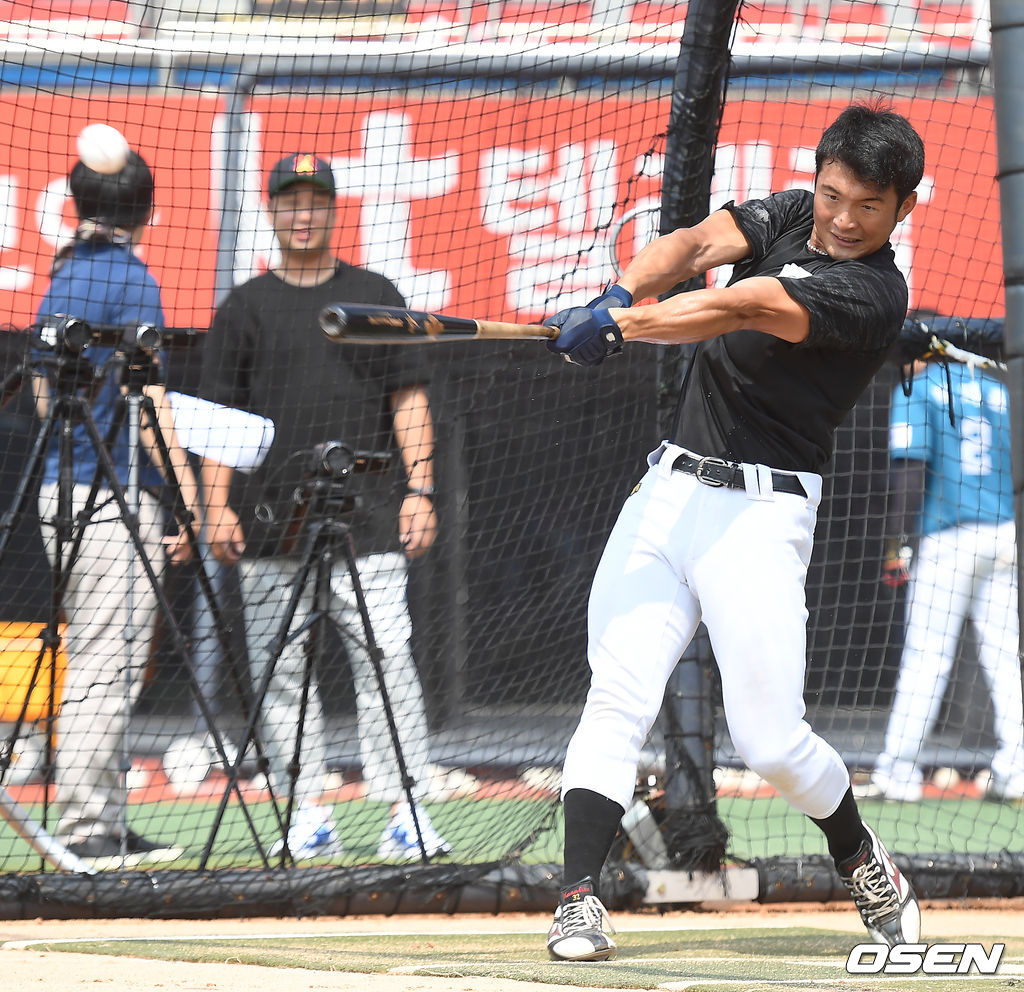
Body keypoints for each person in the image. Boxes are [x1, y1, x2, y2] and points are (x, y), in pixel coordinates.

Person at [542, 102, 924, 959]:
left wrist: (623, 327)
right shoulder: (794, 211)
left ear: (905, 208)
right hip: (669, 491)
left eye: (869, 204)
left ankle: (860, 853)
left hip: (761, 517)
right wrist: (616, 293)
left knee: (772, 742)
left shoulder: (874, 293)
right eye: (834, 195)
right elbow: (689, 246)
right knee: (618, 694)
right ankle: (576, 900)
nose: (844, 218)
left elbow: (746, 305)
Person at [199, 153, 449, 861]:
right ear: (271, 210)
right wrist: (214, 504)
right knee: (280, 673)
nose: (302, 212)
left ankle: (406, 810)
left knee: (387, 662)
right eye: (289, 200)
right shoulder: (244, 305)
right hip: (272, 524)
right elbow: (219, 416)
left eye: (315, 200)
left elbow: (409, 398)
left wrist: (421, 488)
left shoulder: (374, 292)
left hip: (368, 517)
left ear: (335, 209)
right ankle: (304, 809)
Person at [32, 138, 199, 866]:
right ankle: (89, 830)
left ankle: (102, 818)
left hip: (56, 491)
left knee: (100, 658)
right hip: (110, 495)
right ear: (146, 211)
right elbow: (151, 398)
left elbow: (44, 398)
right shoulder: (133, 279)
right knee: (108, 664)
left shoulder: (61, 275)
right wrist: (186, 495)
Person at [866, 316, 1024, 802]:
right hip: (1004, 533)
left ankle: (898, 774)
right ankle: (1017, 771)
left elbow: (912, 470)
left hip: (950, 537)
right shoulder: (997, 386)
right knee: (1005, 659)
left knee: (927, 657)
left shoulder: (920, 384)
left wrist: (897, 543)